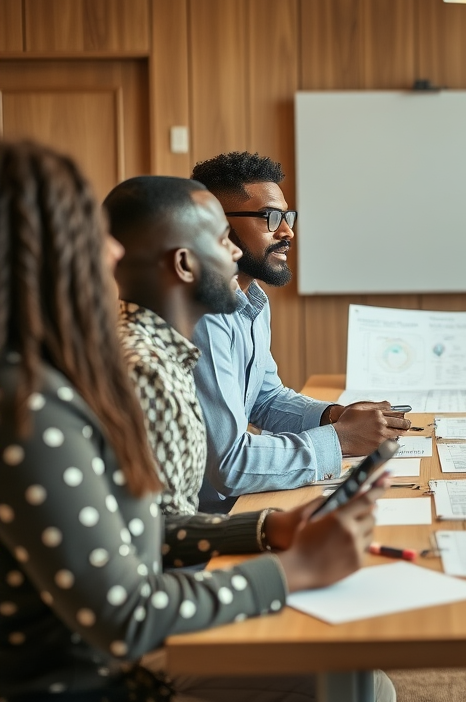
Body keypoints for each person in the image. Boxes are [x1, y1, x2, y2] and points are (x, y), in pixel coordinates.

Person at [0, 140, 394, 701]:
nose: (112, 253)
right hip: (103, 679)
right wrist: (290, 572)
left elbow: (142, 528)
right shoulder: (31, 404)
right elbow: (125, 614)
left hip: (126, 646)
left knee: (359, 677)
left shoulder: (53, 379)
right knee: (354, 685)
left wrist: (263, 529)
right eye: (88, 232)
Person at [189, 151, 409, 512]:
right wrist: (341, 440)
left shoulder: (253, 300)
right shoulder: (202, 314)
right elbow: (229, 465)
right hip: (206, 520)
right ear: (217, 224)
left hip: (240, 503)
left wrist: (335, 416)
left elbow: (265, 398)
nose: (288, 231)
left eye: (288, 217)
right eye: (271, 218)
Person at [104, 176, 243, 517]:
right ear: (183, 264)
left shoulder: (160, 352)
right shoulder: (146, 371)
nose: (237, 251)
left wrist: (272, 525)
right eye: (224, 240)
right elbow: (163, 534)